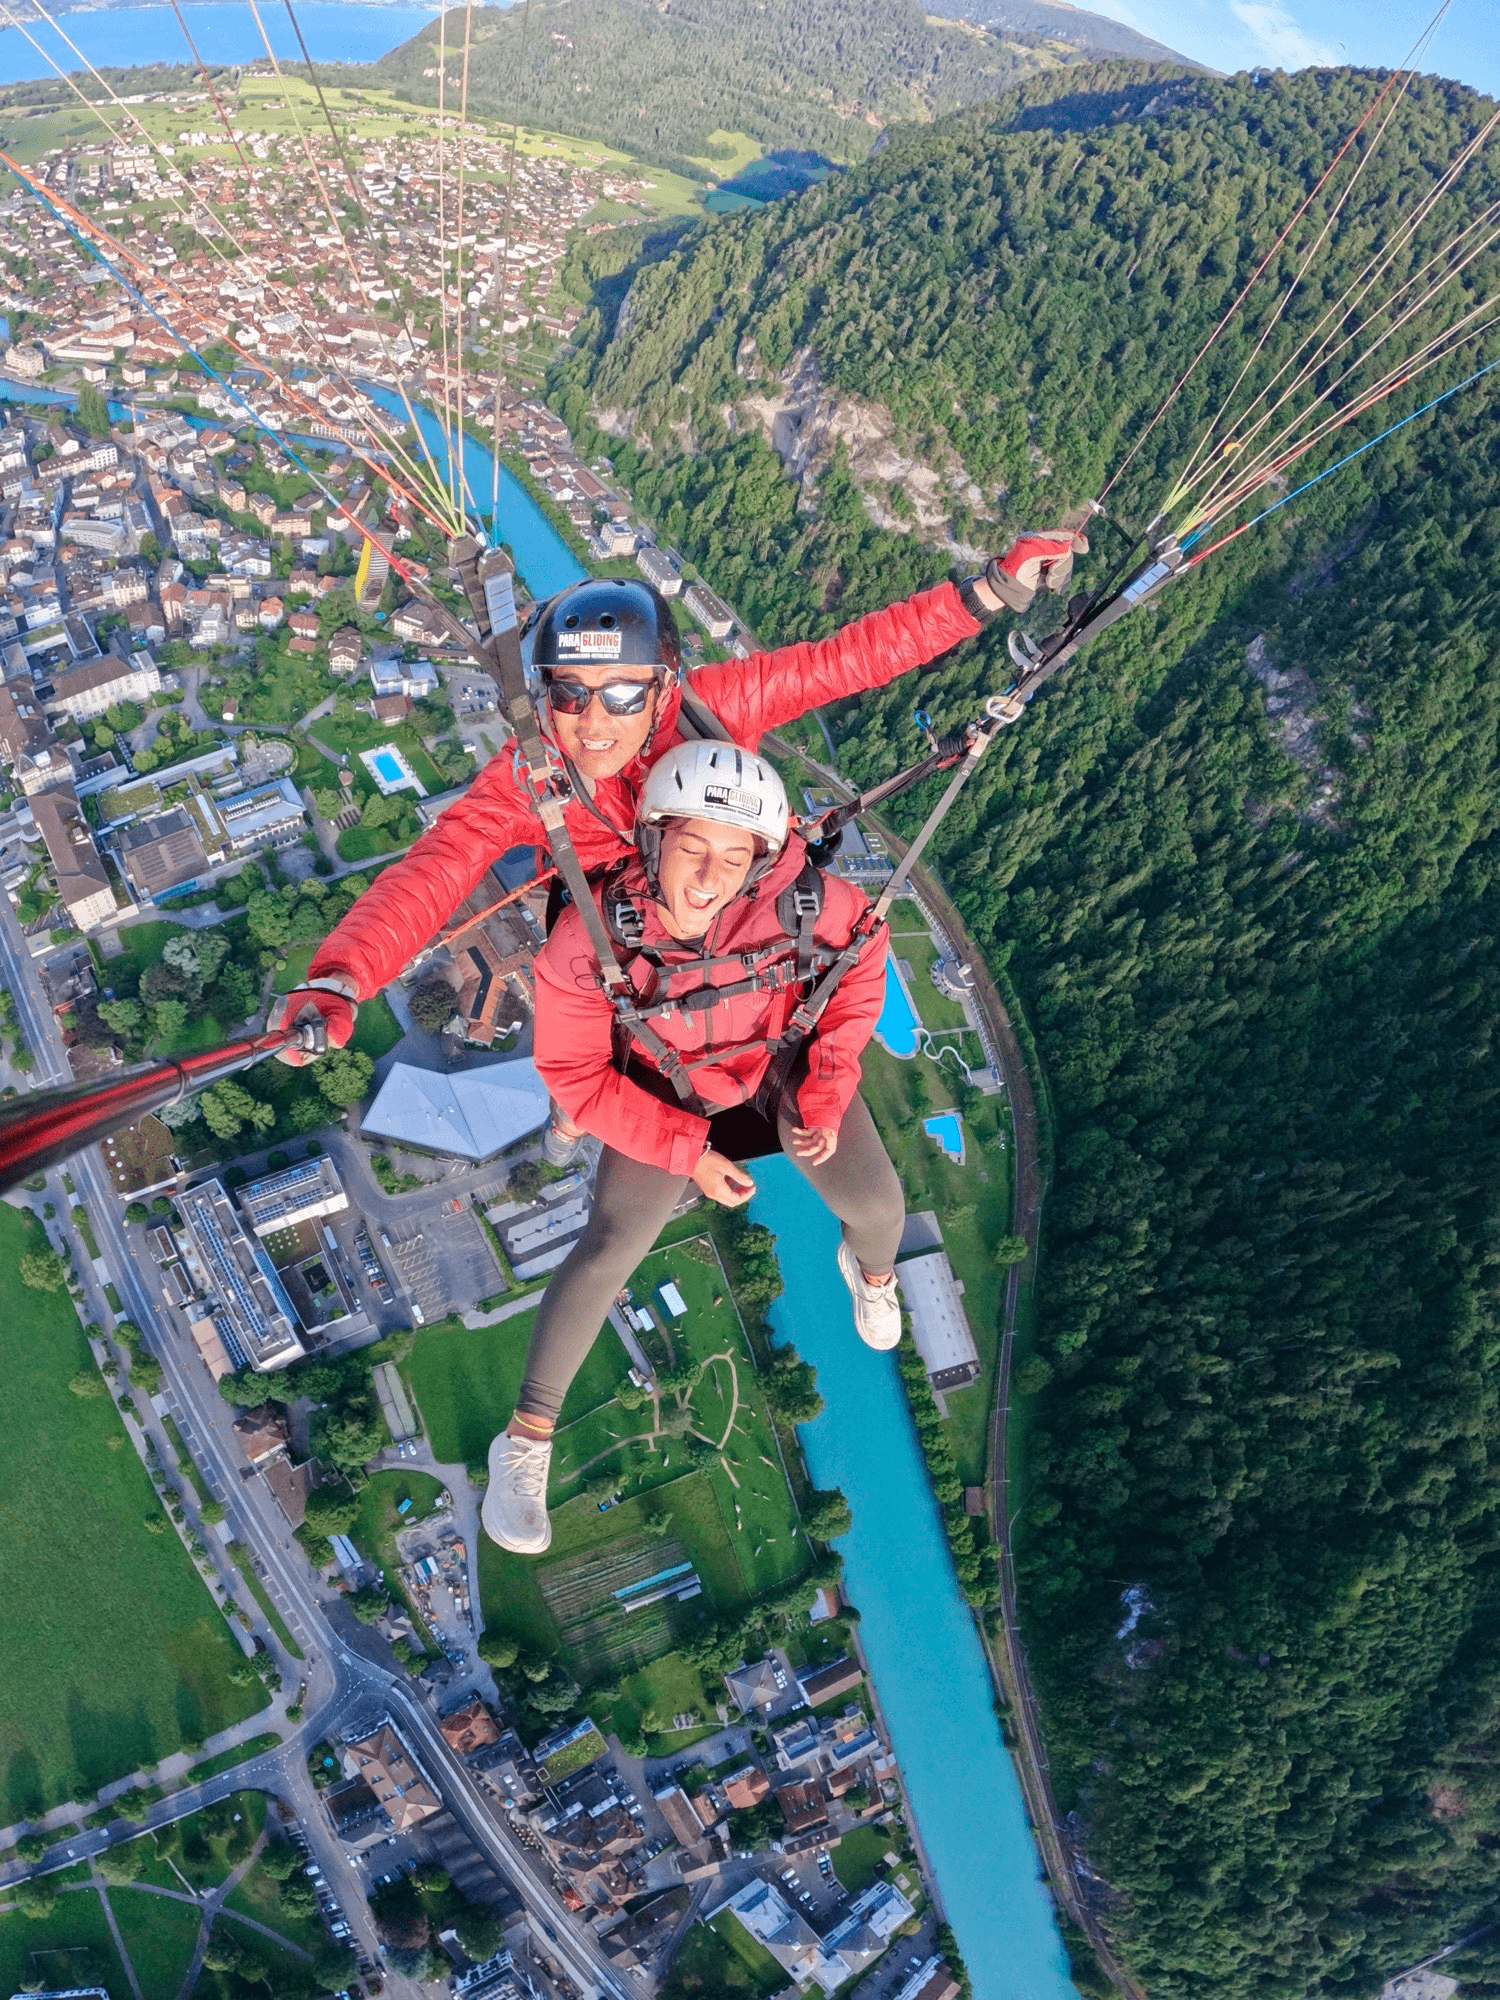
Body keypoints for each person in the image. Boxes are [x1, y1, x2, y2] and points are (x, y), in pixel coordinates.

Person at [268, 530, 1087, 1075]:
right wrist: (344, 978)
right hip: (641, 947)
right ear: (541, 693)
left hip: (729, 903)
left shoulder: (714, 703)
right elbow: (435, 871)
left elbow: (849, 660)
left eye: (622, 696)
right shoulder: (532, 771)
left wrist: (989, 593)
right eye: (569, 693)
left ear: (664, 688)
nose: (593, 724)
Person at [480, 743, 901, 1556]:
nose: (711, 878)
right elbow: (573, 1075)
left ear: (762, 859)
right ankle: (525, 1442)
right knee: (610, 1246)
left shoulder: (807, 902)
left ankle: (870, 1274)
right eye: (693, 850)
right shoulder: (591, 943)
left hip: (776, 1065)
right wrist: (688, 1152)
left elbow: (860, 970)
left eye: (735, 856)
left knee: (879, 1206)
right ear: (655, 842)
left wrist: (821, 1095)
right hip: (666, 1091)